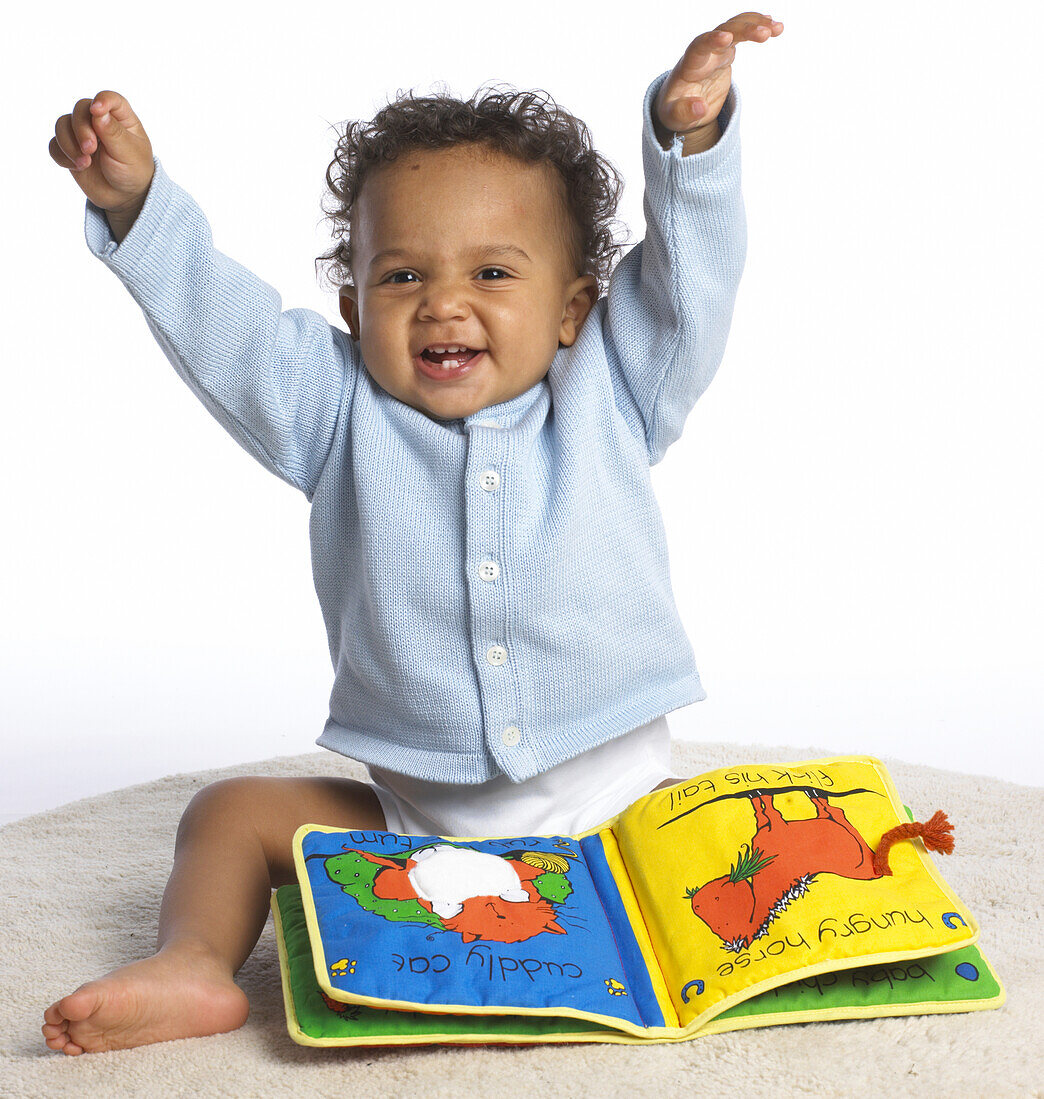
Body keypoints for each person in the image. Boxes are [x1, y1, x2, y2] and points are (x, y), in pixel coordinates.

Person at [42, 12, 784, 1055]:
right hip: (415, 826)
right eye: (400, 276)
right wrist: (137, 208)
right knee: (226, 815)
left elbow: (689, 284)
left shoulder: (613, 387)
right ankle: (194, 965)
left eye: (491, 274)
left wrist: (690, 143)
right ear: (350, 303)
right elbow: (229, 326)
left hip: (616, 799)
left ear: (572, 307)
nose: (442, 304)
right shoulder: (332, 410)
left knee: (732, 835)